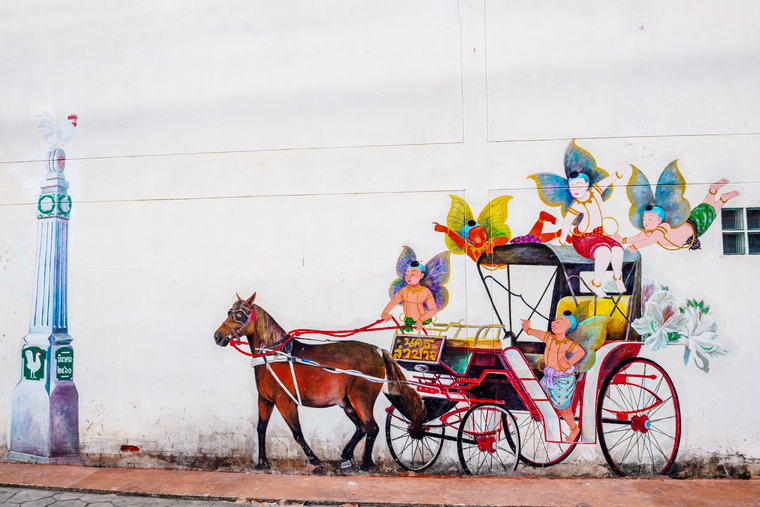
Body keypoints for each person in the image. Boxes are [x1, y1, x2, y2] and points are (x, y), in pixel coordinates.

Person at [557, 164, 628, 298]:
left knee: (618, 250)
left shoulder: (596, 192)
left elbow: (606, 181)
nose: (576, 190)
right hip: (584, 239)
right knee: (604, 251)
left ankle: (618, 278)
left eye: (579, 186)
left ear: (586, 184)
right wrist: (561, 240)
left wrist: (618, 174)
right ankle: (595, 283)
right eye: (572, 188)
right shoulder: (577, 205)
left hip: (599, 235)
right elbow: (566, 221)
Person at [614, 179, 740, 252]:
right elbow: (638, 237)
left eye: (650, 218)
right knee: (709, 212)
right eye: (644, 218)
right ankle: (722, 198)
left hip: (694, 226)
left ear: (659, 220)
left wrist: (634, 247)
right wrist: (623, 240)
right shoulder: (649, 231)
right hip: (692, 230)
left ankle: (714, 191)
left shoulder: (664, 226)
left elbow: (651, 241)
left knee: (708, 211)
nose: (646, 221)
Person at [521, 312, 585, 442]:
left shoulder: (567, 343)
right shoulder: (549, 338)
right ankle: (550, 424)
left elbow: (580, 352)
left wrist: (568, 363)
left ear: (568, 327)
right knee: (540, 397)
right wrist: (528, 329)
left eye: (558, 322)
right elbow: (538, 333)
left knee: (562, 406)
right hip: (549, 376)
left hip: (562, 379)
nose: (553, 323)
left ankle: (574, 428)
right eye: (554, 321)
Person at [381, 261, 437, 332]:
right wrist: (384, 313)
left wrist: (420, 320)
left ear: (421, 276)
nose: (408, 277)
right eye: (407, 274)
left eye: (413, 275)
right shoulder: (404, 291)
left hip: (423, 325)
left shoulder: (425, 291)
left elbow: (433, 310)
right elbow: (394, 302)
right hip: (408, 324)